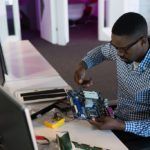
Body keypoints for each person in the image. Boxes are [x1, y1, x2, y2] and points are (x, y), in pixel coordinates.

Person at [74, 12, 150, 149]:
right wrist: (83, 66)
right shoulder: (122, 49)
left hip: (142, 135)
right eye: (116, 47)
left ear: (143, 41)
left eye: (124, 49)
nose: (119, 54)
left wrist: (121, 125)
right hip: (118, 117)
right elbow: (102, 51)